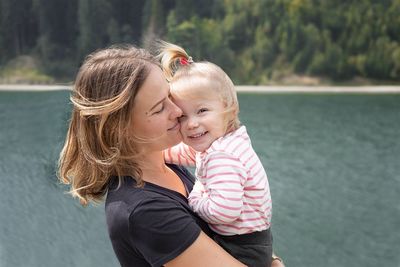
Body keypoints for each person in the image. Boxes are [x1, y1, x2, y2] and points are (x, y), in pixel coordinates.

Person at [58, 44, 285, 267]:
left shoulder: (166, 163)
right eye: (159, 108)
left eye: (170, 96)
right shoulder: (144, 211)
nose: (178, 112)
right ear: (118, 128)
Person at [160, 42, 274, 267]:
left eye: (202, 111)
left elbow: (224, 212)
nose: (192, 124)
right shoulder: (226, 141)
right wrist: (160, 154)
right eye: (182, 116)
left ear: (228, 109)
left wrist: (194, 197)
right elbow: (190, 153)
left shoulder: (223, 157)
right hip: (254, 241)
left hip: (242, 249)